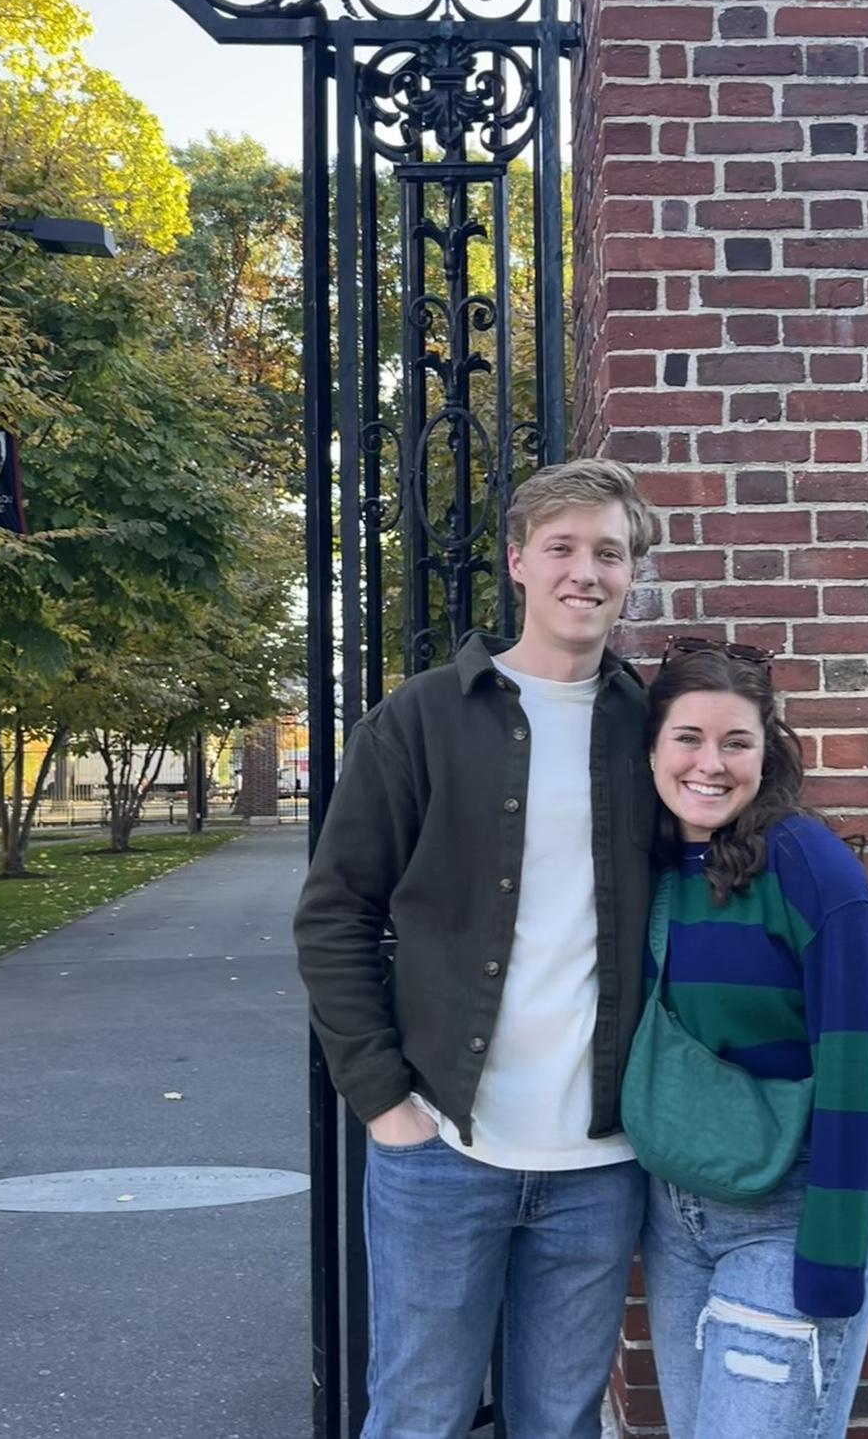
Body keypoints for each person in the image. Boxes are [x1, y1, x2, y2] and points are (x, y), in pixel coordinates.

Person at [293, 458, 659, 1439]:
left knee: (560, 1422)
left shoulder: (654, 732)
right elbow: (335, 914)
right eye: (562, 547)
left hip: (601, 1163)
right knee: (420, 1416)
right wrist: (383, 1102)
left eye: (610, 553)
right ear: (518, 562)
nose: (587, 571)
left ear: (632, 573)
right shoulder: (419, 720)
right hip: (445, 1151)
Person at [628, 640, 868, 1439]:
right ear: (652, 749)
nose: (710, 764)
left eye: (736, 742)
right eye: (688, 738)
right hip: (675, 1214)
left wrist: (834, 1255)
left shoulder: (808, 866)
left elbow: (859, 1060)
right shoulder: (641, 864)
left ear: (766, 753)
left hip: (792, 1204)